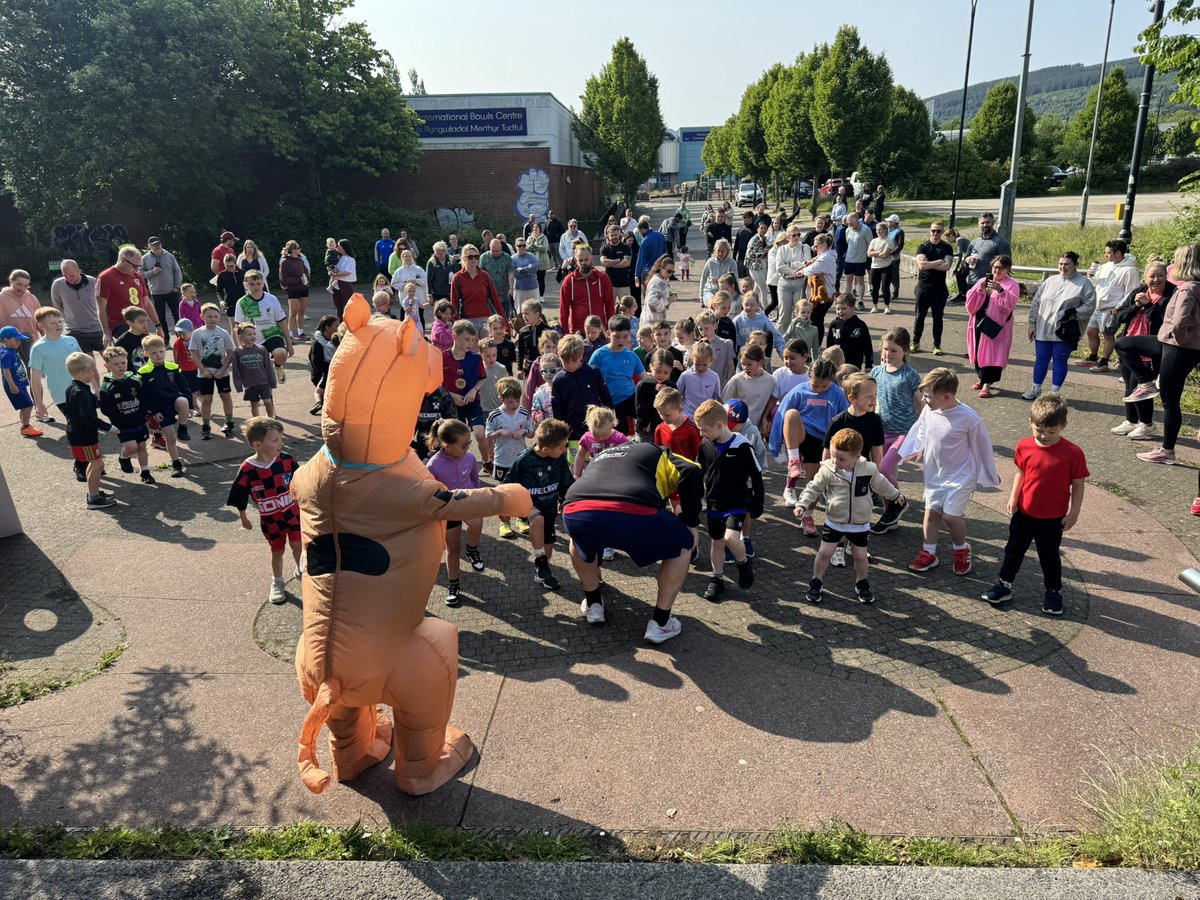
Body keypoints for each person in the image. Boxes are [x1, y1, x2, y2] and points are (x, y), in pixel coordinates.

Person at [563, 440, 701, 639]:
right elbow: (691, 470)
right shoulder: (659, 451)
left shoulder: (604, 454)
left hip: (576, 509)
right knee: (683, 543)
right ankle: (661, 622)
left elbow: (596, 496)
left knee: (578, 538)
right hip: (634, 510)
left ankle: (593, 604)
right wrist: (691, 522)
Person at [981, 395, 1087, 616]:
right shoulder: (1024, 445)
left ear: (1063, 426)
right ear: (1030, 421)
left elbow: (1078, 484)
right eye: (1039, 429)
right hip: (1024, 513)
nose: (1044, 436)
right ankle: (1004, 585)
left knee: (1049, 557)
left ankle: (1053, 592)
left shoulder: (1073, 452)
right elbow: (1021, 472)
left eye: (1052, 431)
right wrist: (1013, 497)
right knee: (1013, 551)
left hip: (1052, 518)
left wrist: (1074, 512)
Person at [900, 367, 999, 576]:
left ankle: (961, 550)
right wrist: (917, 447)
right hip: (935, 473)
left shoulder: (969, 418)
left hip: (961, 476)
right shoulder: (930, 409)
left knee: (951, 517)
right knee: (931, 514)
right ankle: (929, 553)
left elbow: (982, 446)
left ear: (947, 396)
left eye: (928, 396)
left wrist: (987, 473)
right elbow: (922, 429)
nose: (924, 400)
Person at [796, 427, 904, 605]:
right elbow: (813, 487)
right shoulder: (828, 470)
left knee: (860, 556)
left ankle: (861, 582)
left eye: (841, 458)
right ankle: (816, 581)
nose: (835, 461)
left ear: (856, 456)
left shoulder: (868, 468)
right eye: (833, 455)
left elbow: (881, 484)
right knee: (824, 553)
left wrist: (895, 495)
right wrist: (802, 503)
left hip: (860, 523)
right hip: (835, 521)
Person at [1135, 244, 1200, 467]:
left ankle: (1167, 450)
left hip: (1176, 346)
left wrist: (1178, 341)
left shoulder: (1187, 289)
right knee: (1125, 344)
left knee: (1170, 400)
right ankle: (1145, 382)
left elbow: (1180, 323)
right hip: (1178, 346)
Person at [227, 416, 303, 605]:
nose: (281, 443)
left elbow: (301, 482)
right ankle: (277, 581)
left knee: (298, 545)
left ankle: (302, 570)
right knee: (277, 551)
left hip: (293, 514)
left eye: (281, 438)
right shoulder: (247, 469)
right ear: (257, 444)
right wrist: (243, 516)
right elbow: (239, 493)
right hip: (271, 520)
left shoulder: (287, 461)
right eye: (275, 440)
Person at [695, 399, 763, 602]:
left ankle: (743, 563)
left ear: (719, 425)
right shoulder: (706, 444)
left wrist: (758, 501)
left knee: (731, 539)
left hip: (737, 502)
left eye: (704, 429)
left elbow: (757, 475)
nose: (701, 434)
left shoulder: (742, 445)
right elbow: (701, 470)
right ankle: (717, 579)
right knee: (716, 543)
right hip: (714, 502)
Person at [768, 358, 849, 513]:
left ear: (831, 380)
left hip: (824, 440)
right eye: (815, 385)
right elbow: (780, 415)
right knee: (791, 414)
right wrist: (775, 446)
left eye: (824, 386)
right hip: (802, 434)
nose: (819, 389)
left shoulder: (838, 394)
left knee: (813, 482)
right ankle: (794, 460)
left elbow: (845, 421)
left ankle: (808, 516)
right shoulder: (799, 390)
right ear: (809, 378)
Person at [503, 418, 574, 591]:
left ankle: (542, 570)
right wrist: (504, 508)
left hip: (550, 507)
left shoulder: (559, 458)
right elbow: (508, 484)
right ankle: (541, 562)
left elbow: (567, 483)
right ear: (545, 449)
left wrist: (566, 501)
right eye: (562, 446)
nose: (565, 449)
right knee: (538, 520)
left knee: (548, 542)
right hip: (529, 505)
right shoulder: (524, 460)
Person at [1111, 260, 1175, 442]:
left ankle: (1147, 424)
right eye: (1151, 276)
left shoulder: (1171, 294)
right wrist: (1137, 305)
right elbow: (1121, 316)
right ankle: (1131, 420)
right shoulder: (1138, 291)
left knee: (1140, 386)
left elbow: (1165, 320)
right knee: (1130, 386)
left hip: (1151, 349)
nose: (1155, 280)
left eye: (1160, 276)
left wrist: (1148, 306)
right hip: (1128, 349)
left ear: (1166, 276)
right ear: (1145, 277)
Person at [425, 418, 486, 607]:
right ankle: (454, 585)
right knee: (452, 550)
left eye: (469, 442)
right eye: (464, 444)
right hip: (449, 510)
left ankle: (472, 550)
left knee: (477, 522)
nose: (468, 447)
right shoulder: (433, 466)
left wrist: (478, 497)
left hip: (468, 504)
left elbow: (475, 481)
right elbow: (431, 494)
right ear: (447, 446)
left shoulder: (469, 458)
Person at [1023, 252, 1097, 400]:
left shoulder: (1084, 283)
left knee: (1059, 360)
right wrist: (1032, 323)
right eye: (1060, 264)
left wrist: (1073, 313)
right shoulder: (1050, 281)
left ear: (1075, 265)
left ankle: (1054, 392)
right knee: (1041, 359)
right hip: (1043, 328)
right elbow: (1036, 303)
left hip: (1064, 330)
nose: (1063, 267)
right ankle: (1036, 388)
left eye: (1067, 264)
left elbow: (1090, 306)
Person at [870, 328, 922, 533]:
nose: (888, 354)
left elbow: (922, 403)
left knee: (882, 470)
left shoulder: (910, 375)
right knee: (885, 472)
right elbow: (869, 398)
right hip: (881, 431)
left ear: (905, 351)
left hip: (904, 433)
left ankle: (899, 503)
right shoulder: (876, 372)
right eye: (885, 349)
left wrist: (920, 430)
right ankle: (890, 514)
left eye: (894, 350)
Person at [62, 352, 116, 509]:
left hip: (78, 434)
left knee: (94, 463)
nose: (94, 372)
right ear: (83, 372)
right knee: (97, 463)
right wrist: (109, 427)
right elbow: (89, 418)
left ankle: (95, 492)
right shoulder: (82, 392)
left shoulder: (72, 388)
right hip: (84, 436)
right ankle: (93, 498)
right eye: (92, 370)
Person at [1081, 239, 1141, 372]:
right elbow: (1097, 283)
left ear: (1118, 253)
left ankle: (1104, 363)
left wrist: (1118, 307)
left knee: (1107, 334)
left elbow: (1131, 292)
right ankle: (1092, 357)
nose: (1105, 255)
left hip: (1111, 307)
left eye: (1108, 253)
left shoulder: (1130, 270)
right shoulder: (1106, 266)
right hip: (1097, 304)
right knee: (1091, 332)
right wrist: (1091, 276)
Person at [965, 255, 1019, 398]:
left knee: (994, 354)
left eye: (1001, 268)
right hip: (979, 321)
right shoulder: (983, 280)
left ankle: (987, 385)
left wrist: (1000, 290)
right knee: (978, 351)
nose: (997, 270)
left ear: (1007, 269)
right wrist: (980, 290)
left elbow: (1010, 305)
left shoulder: (1011, 284)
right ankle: (981, 379)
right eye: (995, 267)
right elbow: (969, 302)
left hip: (997, 325)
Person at [98, 346, 152, 482]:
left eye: (123, 363)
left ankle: (145, 472)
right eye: (116, 364)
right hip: (122, 423)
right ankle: (124, 457)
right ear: (107, 365)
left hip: (138, 419)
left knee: (141, 446)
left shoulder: (135, 379)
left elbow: (144, 397)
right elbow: (106, 408)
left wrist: (143, 412)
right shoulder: (107, 386)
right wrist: (118, 420)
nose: (120, 366)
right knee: (131, 447)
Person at [233, 270, 292, 386]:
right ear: (246, 285)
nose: (256, 287)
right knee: (261, 374)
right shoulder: (242, 303)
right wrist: (239, 348)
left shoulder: (272, 299)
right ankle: (266, 398)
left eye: (258, 284)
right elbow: (238, 327)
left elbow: (282, 322)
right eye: (252, 284)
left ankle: (278, 366)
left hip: (272, 334)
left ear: (263, 283)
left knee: (281, 353)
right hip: (253, 339)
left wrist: (289, 343)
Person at [587, 315, 644, 432]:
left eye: (625, 336)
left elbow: (644, 378)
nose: (621, 340)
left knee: (646, 415)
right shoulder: (599, 354)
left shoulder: (631, 355)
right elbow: (588, 376)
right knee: (620, 434)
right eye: (617, 337)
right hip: (610, 402)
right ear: (608, 334)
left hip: (630, 397)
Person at [95, 247, 161, 346]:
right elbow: (101, 308)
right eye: (134, 266)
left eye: (139, 266)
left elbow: (146, 302)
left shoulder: (138, 277)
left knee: (147, 352)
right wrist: (106, 333)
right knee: (134, 351)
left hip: (139, 324)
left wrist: (158, 325)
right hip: (120, 324)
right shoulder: (105, 277)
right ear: (122, 261)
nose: (137, 269)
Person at [189, 303, 236, 438]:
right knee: (207, 399)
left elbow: (230, 352)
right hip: (205, 374)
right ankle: (206, 426)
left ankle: (229, 422)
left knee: (225, 396)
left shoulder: (223, 333)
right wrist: (203, 370)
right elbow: (194, 354)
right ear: (202, 317)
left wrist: (223, 370)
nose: (212, 319)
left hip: (222, 373)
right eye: (209, 316)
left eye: (216, 316)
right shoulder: (198, 333)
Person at [29, 306, 83, 420]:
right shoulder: (38, 348)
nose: (58, 325)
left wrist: (96, 386)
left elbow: (85, 364)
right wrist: (38, 403)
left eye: (60, 321)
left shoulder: (71, 340)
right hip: (62, 395)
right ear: (41, 326)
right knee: (77, 425)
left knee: (89, 420)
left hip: (83, 389)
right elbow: (35, 379)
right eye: (52, 323)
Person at [442, 319, 488, 452]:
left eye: (473, 340)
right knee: (458, 438)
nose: (471, 343)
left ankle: (486, 462)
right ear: (454, 337)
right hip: (452, 405)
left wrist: (474, 390)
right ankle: (460, 461)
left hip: (472, 402)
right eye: (467, 339)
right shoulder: (442, 357)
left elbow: (482, 378)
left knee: (480, 433)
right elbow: (436, 384)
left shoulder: (476, 358)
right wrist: (451, 395)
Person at [911, 222, 954, 355]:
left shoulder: (947, 248)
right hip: (923, 286)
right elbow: (922, 266)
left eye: (938, 231)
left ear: (942, 232)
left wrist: (929, 263)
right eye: (933, 231)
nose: (935, 234)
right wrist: (938, 262)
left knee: (938, 317)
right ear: (929, 231)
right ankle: (916, 342)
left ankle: (937, 345)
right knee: (920, 316)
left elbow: (947, 266)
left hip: (939, 288)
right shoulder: (923, 247)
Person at [49, 260, 104, 356]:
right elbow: (57, 307)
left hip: (97, 329)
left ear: (79, 271)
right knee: (87, 365)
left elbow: (103, 303)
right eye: (65, 276)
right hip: (75, 331)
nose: (69, 279)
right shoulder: (58, 285)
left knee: (111, 360)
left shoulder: (94, 282)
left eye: (71, 275)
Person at [558, 246, 615, 336]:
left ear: (591, 258)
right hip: (578, 331)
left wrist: (611, 329)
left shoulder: (603, 278)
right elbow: (563, 309)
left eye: (586, 259)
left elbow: (610, 305)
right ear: (575, 261)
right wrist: (565, 333)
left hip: (600, 331)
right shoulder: (569, 281)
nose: (583, 263)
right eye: (580, 260)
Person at [451, 245, 505, 332]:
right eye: (470, 257)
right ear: (464, 258)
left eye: (476, 257)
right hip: (467, 320)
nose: (473, 259)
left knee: (486, 345)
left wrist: (505, 324)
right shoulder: (458, 278)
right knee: (472, 344)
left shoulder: (484, 276)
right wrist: (456, 325)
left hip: (485, 318)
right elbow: (454, 304)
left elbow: (496, 300)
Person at [798, 233, 837, 344]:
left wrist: (800, 272)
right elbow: (809, 264)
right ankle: (815, 344)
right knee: (815, 320)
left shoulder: (827, 257)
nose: (814, 249)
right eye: (813, 246)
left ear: (824, 245)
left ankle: (817, 345)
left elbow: (813, 268)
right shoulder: (822, 256)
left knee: (817, 321)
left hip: (825, 295)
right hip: (817, 295)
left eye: (816, 246)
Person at [1, 325, 40, 436]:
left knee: (25, 405)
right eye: (16, 339)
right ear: (5, 340)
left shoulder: (11, 350)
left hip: (19, 383)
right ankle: (26, 426)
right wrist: (12, 385)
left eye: (20, 339)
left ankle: (25, 426)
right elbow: (6, 371)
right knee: (28, 404)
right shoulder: (6, 354)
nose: (19, 342)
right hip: (14, 385)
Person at [231, 323, 277, 417]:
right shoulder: (237, 352)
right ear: (241, 337)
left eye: (254, 334)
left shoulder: (261, 349)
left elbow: (269, 367)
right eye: (249, 334)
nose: (253, 336)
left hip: (264, 382)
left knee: (268, 401)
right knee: (254, 404)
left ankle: (270, 419)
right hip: (250, 384)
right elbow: (236, 370)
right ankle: (257, 421)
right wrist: (238, 385)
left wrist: (272, 382)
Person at [962, 213, 1011, 297]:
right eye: (982, 223)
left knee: (988, 310)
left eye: (988, 222)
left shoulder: (1001, 242)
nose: (985, 225)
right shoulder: (974, 242)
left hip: (989, 285)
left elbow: (1007, 265)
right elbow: (964, 261)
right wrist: (967, 260)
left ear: (993, 223)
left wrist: (996, 284)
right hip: (972, 282)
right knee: (972, 310)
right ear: (978, 224)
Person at [140, 236, 183, 331]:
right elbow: (140, 274)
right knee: (161, 318)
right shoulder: (144, 258)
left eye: (158, 244)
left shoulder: (169, 256)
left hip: (172, 292)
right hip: (156, 293)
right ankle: (165, 338)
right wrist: (152, 272)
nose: (157, 246)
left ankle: (180, 336)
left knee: (177, 316)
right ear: (149, 246)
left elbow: (177, 272)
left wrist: (177, 287)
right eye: (154, 245)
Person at [834, 212, 873, 307]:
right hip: (849, 259)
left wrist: (867, 255)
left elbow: (870, 243)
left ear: (855, 219)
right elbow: (849, 242)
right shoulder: (847, 230)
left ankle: (860, 301)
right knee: (848, 280)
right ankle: (847, 301)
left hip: (860, 260)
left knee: (860, 280)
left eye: (848, 219)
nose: (846, 221)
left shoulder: (865, 230)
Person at [825, 294, 873, 370]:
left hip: (854, 365)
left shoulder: (860, 325)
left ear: (852, 308)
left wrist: (868, 364)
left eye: (844, 308)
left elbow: (867, 346)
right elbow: (829, 344)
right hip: (838, 365)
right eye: (838, 309)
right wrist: (827, 360)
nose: (840, 311)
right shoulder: (834, 324)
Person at [676, 341, 722, 419]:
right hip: (688, 417)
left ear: (711, 360)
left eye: (704, 365)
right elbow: (676, 395)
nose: (701, 368)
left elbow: (717, 398)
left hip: (706, 418)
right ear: (692, 359)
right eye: (697, 364)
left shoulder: (714, 377)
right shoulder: (685, 376)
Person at [278, 240, 311, 343]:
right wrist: (299, 280)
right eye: (298, 248)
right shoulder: (285, 262)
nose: (300, 250)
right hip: (292, 290)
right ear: (293, 250)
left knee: (301, 311)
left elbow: (306, 272)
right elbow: (284, 278)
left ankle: (301, 332)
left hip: (303, 289)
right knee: (293, 312)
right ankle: (290, 335)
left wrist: (306, 278)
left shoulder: (300, 260)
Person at [307, 314, 338, 416]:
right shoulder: (317, 343)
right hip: (322, 373)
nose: (338, 328)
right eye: (335, 326)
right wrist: (331, 367)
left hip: (334, 370)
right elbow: (316, 363)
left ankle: (323, 402)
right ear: (327, 327)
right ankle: (319, 403)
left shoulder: (337, 339)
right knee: (321, 392)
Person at [390, 248, 429, 328]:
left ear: (412, 257)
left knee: (420, 318)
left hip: (418, 298)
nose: (407, 258)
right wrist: (404, 285)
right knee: (404, 319)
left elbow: (426, 280)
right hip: (405, 299)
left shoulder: (418, 269)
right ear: (402, 258)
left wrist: (416, 281)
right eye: (405, 256)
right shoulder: (399, 271)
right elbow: (393, 284)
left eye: (409, 256)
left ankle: (422, 335)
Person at [479, 239, 515, 318]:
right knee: (493, 319)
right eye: (493, 251)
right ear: (489, 247)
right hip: (490, 295)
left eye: (498, 251)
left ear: (501, 247)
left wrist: (511, 288)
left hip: (504, 294)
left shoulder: (507, 257)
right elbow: (480, 275)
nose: (495, 253)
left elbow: (510, 273)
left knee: (504, 318)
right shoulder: (483, 258)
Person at [867, 222, 896, 315]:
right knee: (875, 288)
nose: (878, 231)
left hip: (886, 267)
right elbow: (868, 254)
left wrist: (875, 253)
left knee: (885, 287)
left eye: (880, 229)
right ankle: (875, 306)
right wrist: (879, 252)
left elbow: (885, 255)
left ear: (885, 230)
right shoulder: (873, 241)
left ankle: (886, 307)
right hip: (875, 267)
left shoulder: (889, 241)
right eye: (877, 229)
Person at [634, 219, 668, 289]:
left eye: (640, 231)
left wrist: (637, 274)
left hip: (650, 270)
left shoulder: (645, 241)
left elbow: (641, 259)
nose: (640, 233)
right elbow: (665, 252)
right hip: (662, 268)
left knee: (650, 290)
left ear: (642, 229)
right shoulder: (660, 235)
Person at [330, 239, 357, 319]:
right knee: (338, 304)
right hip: (337, 282)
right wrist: (332, 271)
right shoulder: (341, 258)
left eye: (339, 246)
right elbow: (338, 268)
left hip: (345, 283)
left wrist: (335, 274)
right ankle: (340, 320)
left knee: (347, 303)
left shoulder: (350, 259)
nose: (337, 247)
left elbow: (347, 272)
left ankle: (349, 320)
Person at [426, 242, 456, 306]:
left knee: (451, 313)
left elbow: (457, 275)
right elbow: (428, 279)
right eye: (437, 252)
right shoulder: (432, 261)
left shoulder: (451, 259)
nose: (440, 255)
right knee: (439, 313)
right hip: (437, 294)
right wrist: (429, 295)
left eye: (442, 252)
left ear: (445, 251)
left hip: (450, 292)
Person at [527, 223, 551, 297]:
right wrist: (532, 244)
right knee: (532, 280)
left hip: (542, 263)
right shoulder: (530, 238)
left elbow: (544, 249)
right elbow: (527, 249)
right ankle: (534, 295)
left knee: (541, 280)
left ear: (540, 229)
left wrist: (534, 246)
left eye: (536, 227)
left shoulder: (544, 237)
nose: (535, 228)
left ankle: (541, 296)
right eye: (533, 227)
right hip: (532, 263)